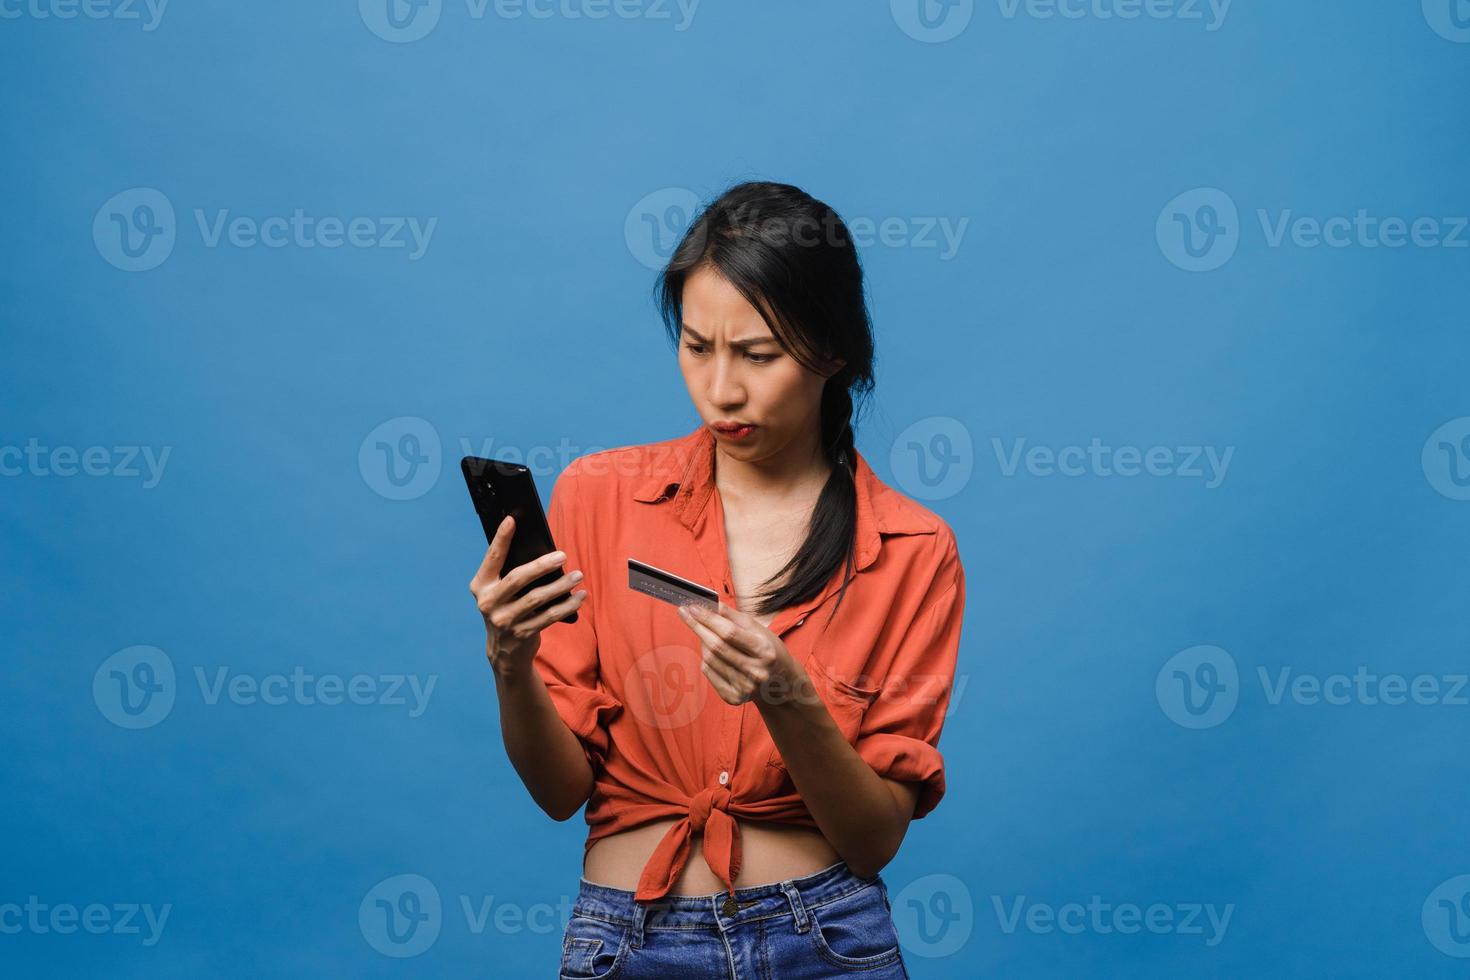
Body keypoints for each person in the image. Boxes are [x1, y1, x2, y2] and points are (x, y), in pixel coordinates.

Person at [468, 181, 967, 978]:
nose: (721, 389)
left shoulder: (912, 548)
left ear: (833, 352)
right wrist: (509, 663)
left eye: (758, 355)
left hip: (827, 941)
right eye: (698, 348)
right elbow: (560, 792)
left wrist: (787, 694)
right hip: (627, 940)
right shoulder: (598, 497)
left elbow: (875, 840)